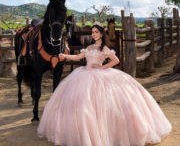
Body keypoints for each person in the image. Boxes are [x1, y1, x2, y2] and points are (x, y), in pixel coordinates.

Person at [37, 21, 172, 146]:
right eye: (92, 32)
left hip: (99, 75)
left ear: (101, 33)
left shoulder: (104, 48)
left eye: (96, 32)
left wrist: (101, 68)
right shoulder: (89, 47)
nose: (94, 34)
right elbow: (78, 57)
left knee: (104, 105)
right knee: (83, 105)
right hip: (84, 74)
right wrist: (65, 56)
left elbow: (116, 60)